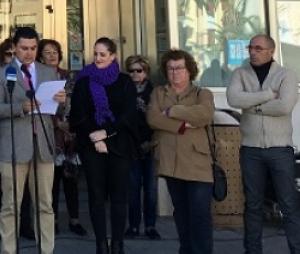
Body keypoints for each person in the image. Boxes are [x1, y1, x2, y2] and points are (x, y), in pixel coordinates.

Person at [0, 27, 67, 254]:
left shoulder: (48, 72)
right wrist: (20, 107)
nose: (29, 53)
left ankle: (46, 250)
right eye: (24, 48)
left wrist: (63, 101)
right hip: (14, 146)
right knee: (11, 206)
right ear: (14, 47)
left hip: (43, 146)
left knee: (45, 205)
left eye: (33, 48)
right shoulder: (2, 73)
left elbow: (61, 110)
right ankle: (9, 250)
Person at [226, 34, 300, 254]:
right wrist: (267, 95)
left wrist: (253, 107)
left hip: (280, 148)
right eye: (250, 48)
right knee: (252, 204)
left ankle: (299, 250)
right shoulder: (240, 74)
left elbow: (284, 106)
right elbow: (234, 99)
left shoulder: (286, 75)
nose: (253, 52)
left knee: (289, 203)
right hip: (250, 148)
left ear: (271, 51)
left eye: (258, 48)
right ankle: (252, 250)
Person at [70, 37, 141, 254]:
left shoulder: (125, 81)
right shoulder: (84, 81)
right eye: (95, 54)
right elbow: (79, 114)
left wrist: (106, 133)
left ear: (113, 56)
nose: (98, 58)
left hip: (119, 144)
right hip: (91, 144)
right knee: (96, 195)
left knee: (119, 196)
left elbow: (128, 114)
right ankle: (101, 243)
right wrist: (97, 137)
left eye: (103, 54)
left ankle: (117, 244)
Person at [147, 50, 215, 254]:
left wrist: (172, 111)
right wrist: (183, 125)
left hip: (197, 164)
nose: (175, 72)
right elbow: (153, 119)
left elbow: (204, 114)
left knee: (200, 214)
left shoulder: (202, 93)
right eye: (170, 68)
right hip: (170, 162)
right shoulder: (158, 93)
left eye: (179, 68)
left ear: (189, 70)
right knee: (181, 213)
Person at [38, 38, 86, 238]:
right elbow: (40, 106)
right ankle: (54, 220)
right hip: (50, 133)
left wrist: (72, 125)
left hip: (71, 135)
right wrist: (58, 124)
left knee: (71, 179)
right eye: (47, 52)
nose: (52, 55)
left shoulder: (70, 76)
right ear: (41, 56)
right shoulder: (39, 78)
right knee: (53, 181)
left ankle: (75, 220)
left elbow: (80, 102)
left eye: (55, 52)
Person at [123, 54, 159, 240]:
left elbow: (158, 119)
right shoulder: (124, 91)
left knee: (151, 190)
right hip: (131, 145)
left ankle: (150, 226)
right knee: (133, 188)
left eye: (139, 70)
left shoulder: (154, 92)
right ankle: (134, 225)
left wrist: (150, 141)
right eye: (131, 70)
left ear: (146, 72)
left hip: (151, 144)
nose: (135, 74)